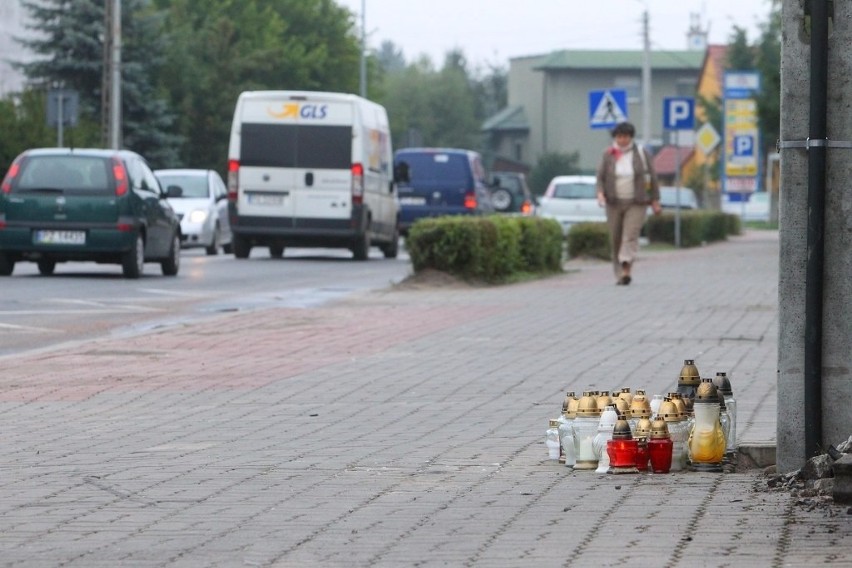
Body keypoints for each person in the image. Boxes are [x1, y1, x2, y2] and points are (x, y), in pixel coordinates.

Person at [595, 121, 661, 285]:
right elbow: (600, 177)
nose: (622, 140)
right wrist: (600, 193)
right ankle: (620, 274)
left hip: (637, 202)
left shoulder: (641, 153)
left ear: (631, 137)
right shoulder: (608, 154)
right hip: (614, 202)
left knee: (630, 236)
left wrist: (655, 200)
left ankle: (626, 266)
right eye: (619, 136)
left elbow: (652, 177)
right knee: (616, 238)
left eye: (625, 136)